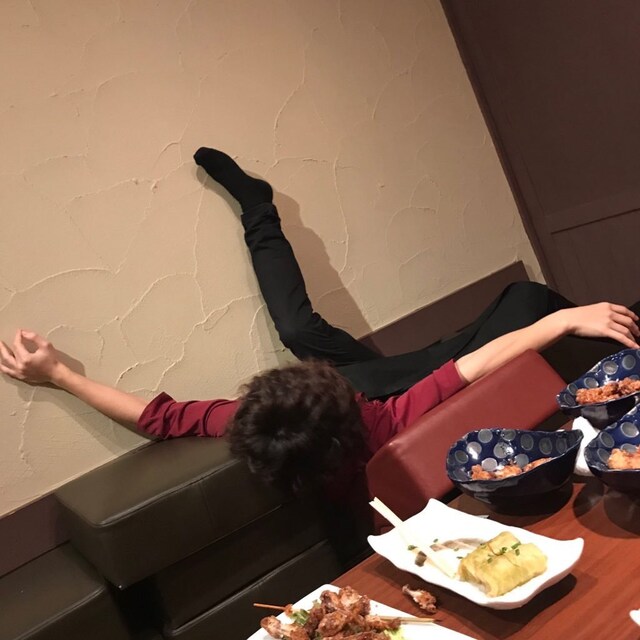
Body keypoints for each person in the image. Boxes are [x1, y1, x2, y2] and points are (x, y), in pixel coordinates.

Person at [2, 149, 639, 493]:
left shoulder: (249, 423)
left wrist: (58, 374)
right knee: (527, 300)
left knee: (298, 332)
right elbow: (471, 366)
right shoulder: (384, 422)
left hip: (358, 393)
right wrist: (565, 320)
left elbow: (157, 418)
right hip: (406, 382)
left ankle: (257, 206)